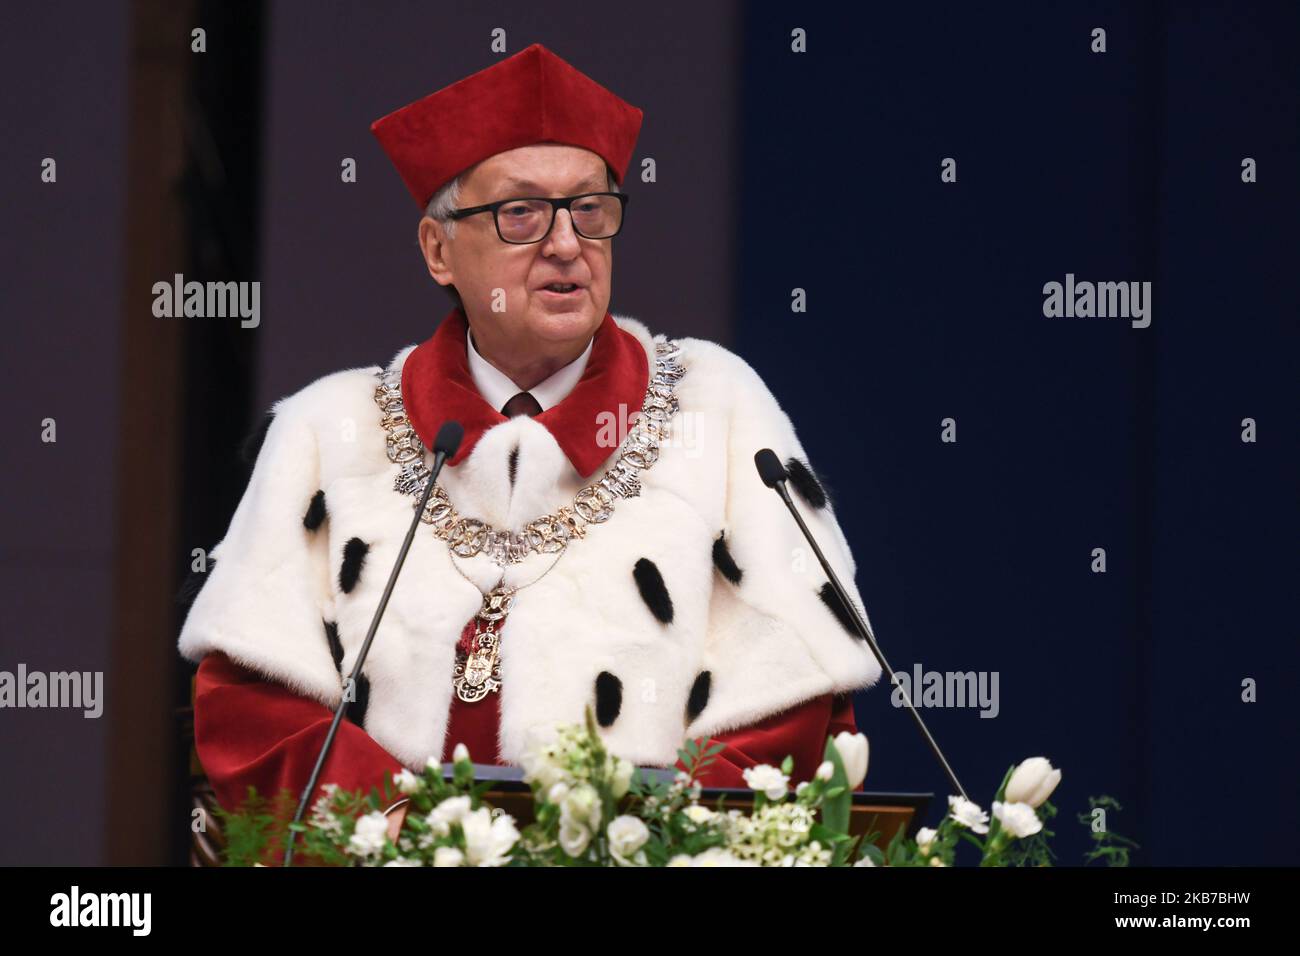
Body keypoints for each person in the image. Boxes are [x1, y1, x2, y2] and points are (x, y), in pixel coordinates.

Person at [179, 43, 880, 842]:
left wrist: (630, 849)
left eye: (590, 209)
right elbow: (252, 715)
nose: (565, 243)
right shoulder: (331, 432)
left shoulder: (714, 412)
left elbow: (789, 713)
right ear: (438, 250)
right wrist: (425, 845)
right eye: (521, 212)